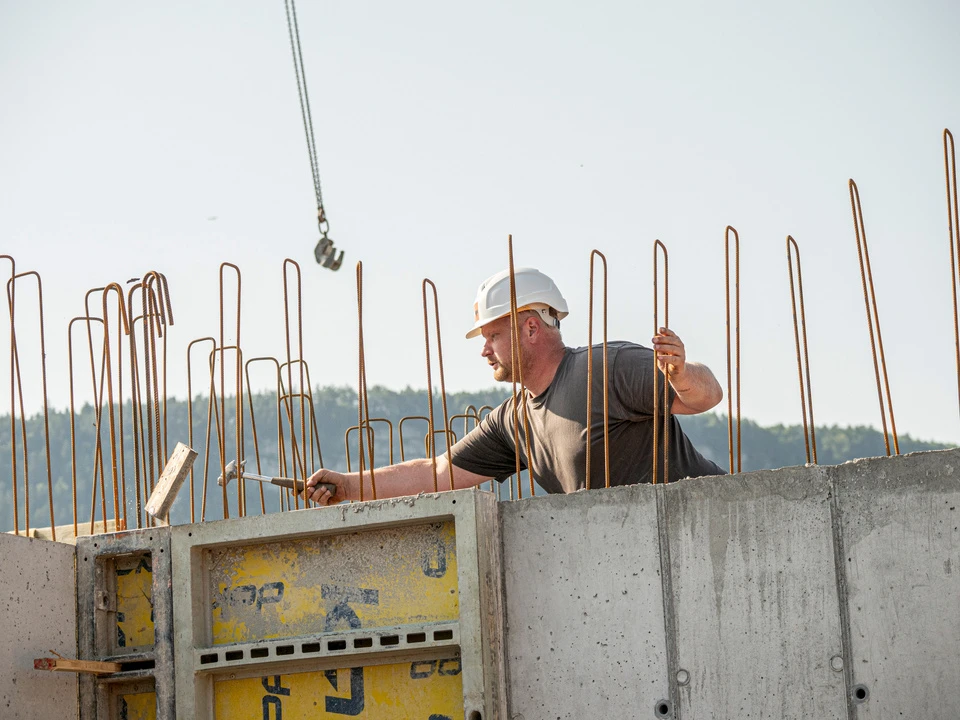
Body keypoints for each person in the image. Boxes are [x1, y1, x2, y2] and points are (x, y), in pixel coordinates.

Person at [304, 267, 724, 504]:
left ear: (530, 328)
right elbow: (436, 473)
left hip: (706, 526)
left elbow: (706, 396)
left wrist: (681, 374)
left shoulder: (605, 368)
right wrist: (350, 486)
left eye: (493, 336)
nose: (484, 350)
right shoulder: (514, 420)